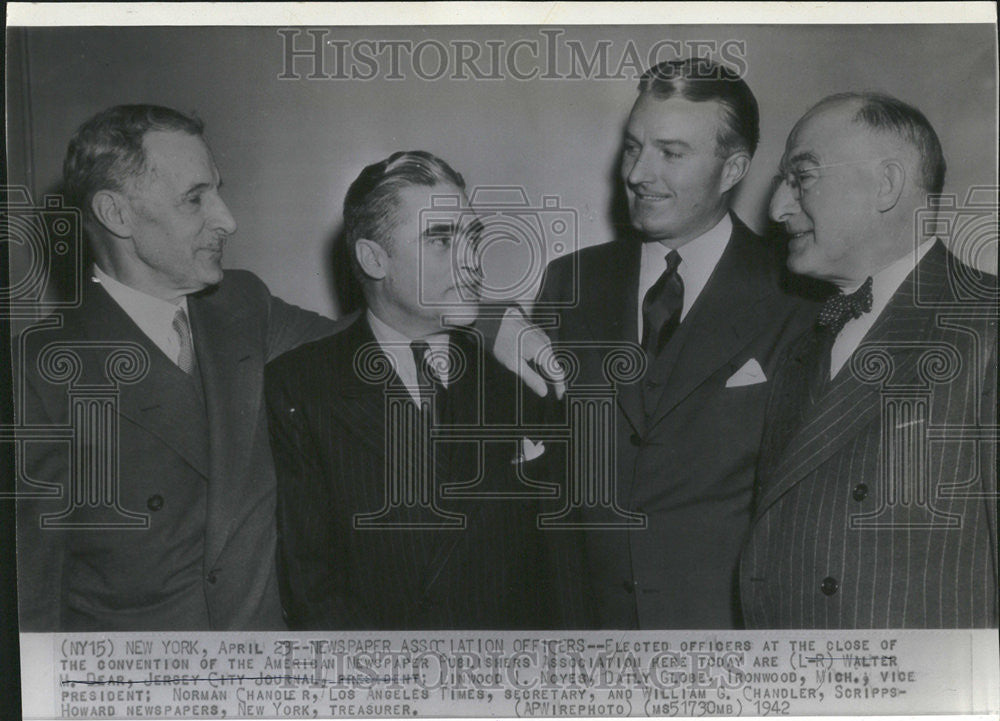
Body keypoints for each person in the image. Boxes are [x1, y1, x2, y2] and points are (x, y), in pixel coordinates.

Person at [16, 105, 339, 630]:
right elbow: (31, 602)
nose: (227, 219)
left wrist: (493, 326)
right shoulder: (37, 373)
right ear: (116, 214)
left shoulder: (243, 304)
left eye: (218, 190)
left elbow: (363, 346)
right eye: (195, 199)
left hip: (272, 682)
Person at [522, 58, 817, 629]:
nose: (637, 173)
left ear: (733, 168)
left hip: (728, 650)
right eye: (633, 147)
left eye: (671, 153)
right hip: (586, 642)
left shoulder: (797, 297)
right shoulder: (569, 283)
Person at [265, 151, 559, 629]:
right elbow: (312, 586)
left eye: (472, 237)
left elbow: (558, 562)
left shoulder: (514, 369)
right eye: (440, 239)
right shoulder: (301, 387)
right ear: (374, 259)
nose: (471, 261)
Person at [740, 92, 997, 628]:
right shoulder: (802, 347)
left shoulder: (985, 325)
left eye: (802, 178)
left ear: (886, 185)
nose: (777, 210)